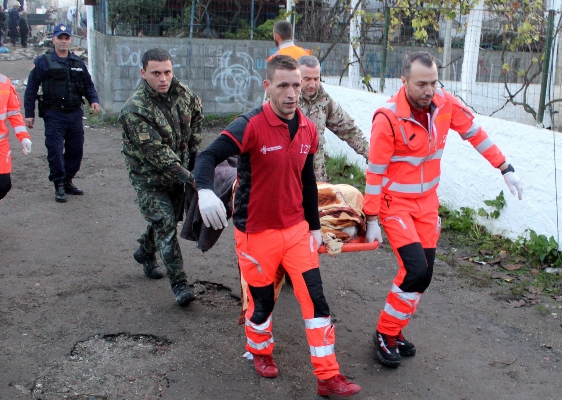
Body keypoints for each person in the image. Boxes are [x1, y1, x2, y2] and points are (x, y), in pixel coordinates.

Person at [194, 55, 361, 397]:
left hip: (297, 231)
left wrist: (314, 226)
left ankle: (328, 376)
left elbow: (307, 181)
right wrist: (204, 190)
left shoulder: (308, 129)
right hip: (256, 232)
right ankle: (260, 350)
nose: (291, 93)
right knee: (262, 302)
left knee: (316, 301)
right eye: (283, 85)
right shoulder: (250, 124)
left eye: (297, 85)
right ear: (267, 86)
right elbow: (208, 156)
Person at [363, 51, 523, 367]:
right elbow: (375, 171)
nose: (429, 90)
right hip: (395, 205)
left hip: (426, 206)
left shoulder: (444, 103)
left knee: (424, 276)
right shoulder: (388, 117)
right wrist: (371, 217)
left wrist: (504, 166)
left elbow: (474, 134)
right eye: (421, 83)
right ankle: (384, 333)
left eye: (434, 82)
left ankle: (394, 330)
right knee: (415, 270)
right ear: (404, 81)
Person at [119, 48, 204, 306]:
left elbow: (197, 117)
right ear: (143, 73)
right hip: (149, 179)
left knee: (167, 220)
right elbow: (157, 153)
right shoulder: (134, 109)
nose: (163, 78)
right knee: (166, 224)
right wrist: (190, 177)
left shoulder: (182, 93)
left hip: (178, 173)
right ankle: (179, 284)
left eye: (167, 72)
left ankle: (145, 252)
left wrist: (195, 156)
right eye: (156, 73)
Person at [24, 23, 101, 203]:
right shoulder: (44, 62)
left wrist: (94, 100)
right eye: (60, 38)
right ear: (54, 40)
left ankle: (68, 180)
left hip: (74, 113)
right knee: (55, 150)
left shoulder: (77, 62)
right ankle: (58, 183)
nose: (64, 41)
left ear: (70, 40)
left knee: (76, 149)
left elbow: (88, 84)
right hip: (54, 113)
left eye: (66, 38)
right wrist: (29, 113)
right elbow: (31, 88)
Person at [298, 55, 369, 182]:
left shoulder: (324, 101)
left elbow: (348, 130)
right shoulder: (287, 101)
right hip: (291, 178)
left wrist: (371, 154)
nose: (312, 84)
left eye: (316, 78)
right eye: (307, 79)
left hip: (316, 180)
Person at [0, 73, 32, 201]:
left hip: (1, 144)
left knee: (3, 185)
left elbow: (13, 112)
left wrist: (23, 137)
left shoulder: (4, 82)